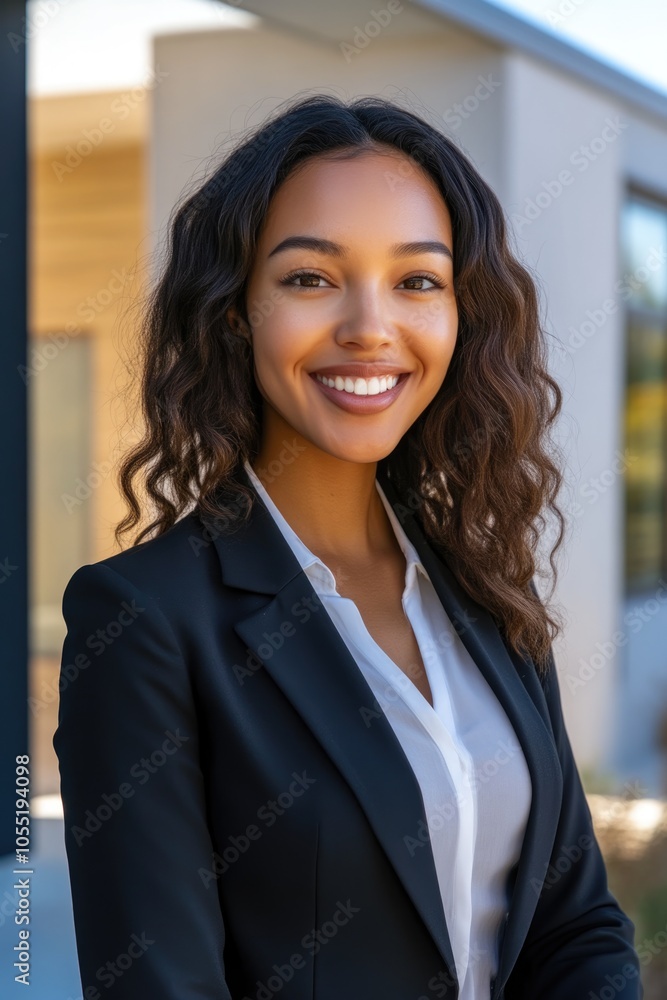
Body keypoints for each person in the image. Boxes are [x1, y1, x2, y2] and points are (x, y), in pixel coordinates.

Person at [53, 93, 642, 1000]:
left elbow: (575, 923)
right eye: (309, 278)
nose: (371, 326)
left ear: (462, 316)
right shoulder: (144, 621)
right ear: (234, 311)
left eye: (417, 281)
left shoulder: (487, 594)